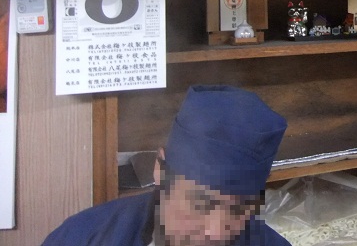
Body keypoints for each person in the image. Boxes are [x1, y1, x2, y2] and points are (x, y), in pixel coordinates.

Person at [41, 85, 290, 246]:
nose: (216, 233)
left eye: (238, 210)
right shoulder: (85, 237)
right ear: (159, 170)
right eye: (200, 203)